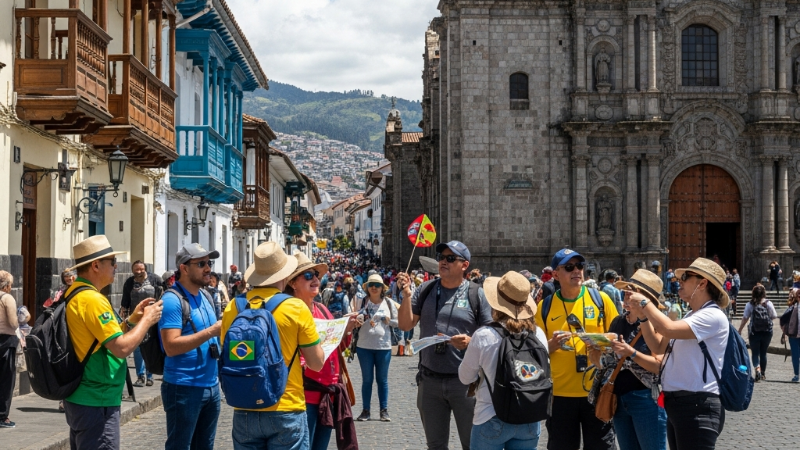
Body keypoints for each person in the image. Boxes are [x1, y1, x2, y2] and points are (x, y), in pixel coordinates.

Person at [220, 242, 325, 450]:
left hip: (245, 406)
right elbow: (316, 363)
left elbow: (227, 354)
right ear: (285, 275)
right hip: (286, 406)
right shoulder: (295, 307)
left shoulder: (233, 307)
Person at [63, 235, 163, 449]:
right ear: (95, 265)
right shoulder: (93, 300)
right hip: (97, 398)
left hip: (83, 396)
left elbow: (100, 338)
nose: (116, 266)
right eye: (112, 262)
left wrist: (131, 321)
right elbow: (121, 348)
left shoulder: (75, 292)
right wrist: (147, 320)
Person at [396, 240, 493, 450]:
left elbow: (491, 337)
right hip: (429, 380)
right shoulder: (426, 289)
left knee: (472, 444)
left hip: (466, 384)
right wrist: (406, 297)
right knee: (435, 446)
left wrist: (470, 342)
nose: (443, 262)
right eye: (441, 258)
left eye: (450, 258)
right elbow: (405, 325)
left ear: (464, 265)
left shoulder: (477, 294)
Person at [628, 257, 729, 450]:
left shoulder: (713, 316)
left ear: (702, 283)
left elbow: (667, 328)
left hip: (696, 405)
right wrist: (643, 317)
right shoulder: (691, 315)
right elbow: (658, 347)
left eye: (685, 277)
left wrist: (644, 302)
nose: (678, 281)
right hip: (679, 405)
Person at [535, 249, 619, 450]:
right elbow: (535, 351)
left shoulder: (601, 300)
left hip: (597, 392)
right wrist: (550, 346)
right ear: (556, 274)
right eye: (569, 267)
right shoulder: (544, 307)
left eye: (580, 266)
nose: (576, 271)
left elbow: (618, 338)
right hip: (560, 395)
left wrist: (602, 343)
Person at [458, 271, 548, 449]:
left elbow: (465, 378)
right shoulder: (538, 334)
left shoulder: (484, 335)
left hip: (490, 416)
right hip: (529, 417)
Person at [285, 252, 358, 450]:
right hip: (304, 396)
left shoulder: (322, 309)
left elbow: (336, 349)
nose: (316, 280)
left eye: (316, 274)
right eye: (308, 275)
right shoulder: (289, 313)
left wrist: (346, 329)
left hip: (327, 394)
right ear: (292, 282)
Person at [589, 270, 667, 450]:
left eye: (632, 290)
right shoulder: (618, 321)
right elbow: (607, 363)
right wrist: (595, 352)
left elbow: (659, 366)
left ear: (646, 298)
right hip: (619, 399)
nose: (626, 293)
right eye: (626, 289)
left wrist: (631, 352)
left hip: (646, 400)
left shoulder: (658, 324)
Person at [159, 244, 223, 450]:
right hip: (183, 387)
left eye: (209, 263)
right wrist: (211, 332)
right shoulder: (172, 300)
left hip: (211, 386)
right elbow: (170, 346)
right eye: (201, 264)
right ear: (184, 268)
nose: (208, 268)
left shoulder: (206, 296)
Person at [353, 273, 398, 422]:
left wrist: (389, 321)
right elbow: (352, 318)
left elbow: (399, 322)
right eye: (371, 285)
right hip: (364, 346)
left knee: (382, 380)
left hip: (383, 347)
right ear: (367, 287)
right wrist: (356, 321)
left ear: (382, 288)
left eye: (377, 285)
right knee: (367, 380)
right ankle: (365, 410)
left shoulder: (389, 303)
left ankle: (384, 410)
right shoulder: (361, 302)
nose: (374, 288)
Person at [121, 260, 163, 387]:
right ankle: (140, 376)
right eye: (136, 270)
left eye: (141, 269)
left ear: (145, 269)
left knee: (150, 346)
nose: (139, 272)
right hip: (135, 319)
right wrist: (125, 317)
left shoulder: (155, 279)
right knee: (137, 348)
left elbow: (162, 296)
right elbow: (125, 302)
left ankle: (150, 375)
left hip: (152, 318)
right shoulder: (129, 283)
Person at [736, 285, 777, 382]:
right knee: (763, 352)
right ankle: (763, 374)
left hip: (754, 332)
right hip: (767, 332)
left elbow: (745, 318)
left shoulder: (750, 304)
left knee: (755, 353)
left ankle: (757, 368)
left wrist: (740, 329)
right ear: (764, 293)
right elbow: (774, 316)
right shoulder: (768, 303)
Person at [0, 271, 18, 428]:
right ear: (6, 286)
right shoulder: (7, 298)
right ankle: (2, 416)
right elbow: (13, 323)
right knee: (6, 380)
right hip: (5, 341)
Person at [780, 288, 800, 382]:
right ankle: (796, 374)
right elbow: (783, 319)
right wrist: (785, 331)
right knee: (795, 356)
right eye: (798, 294)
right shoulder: (792, 307)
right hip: (793, 335)